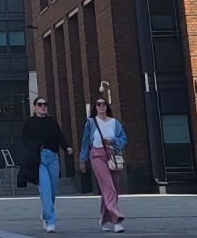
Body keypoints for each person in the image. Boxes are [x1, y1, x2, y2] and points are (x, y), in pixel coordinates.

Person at [21, 97, 72, 233]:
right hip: (39, 158)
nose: (43, 106)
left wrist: (66, 147)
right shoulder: (29, 122)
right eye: (40, 104)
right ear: (35, 107)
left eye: (45, 104)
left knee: (53, 190)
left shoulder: (51, 122)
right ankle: (50, 220)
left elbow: (59, 136)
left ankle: (45, 213)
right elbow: (24, 139)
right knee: (45, 188)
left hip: (53, 157)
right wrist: (32, 150)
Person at [79, 98, 128, 232]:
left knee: (113, 187)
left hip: (112, 155)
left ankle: (104, 218)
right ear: (95, 107)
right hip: (97, 156)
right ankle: (116, 218)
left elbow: (124, 139)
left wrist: (113, 141)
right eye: (98, 104)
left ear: (107, 106)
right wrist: (82, 160)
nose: (101, 106)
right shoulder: (91, 122)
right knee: (108, 185)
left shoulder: (115, 123)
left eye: (104, 104)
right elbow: (85, 142)